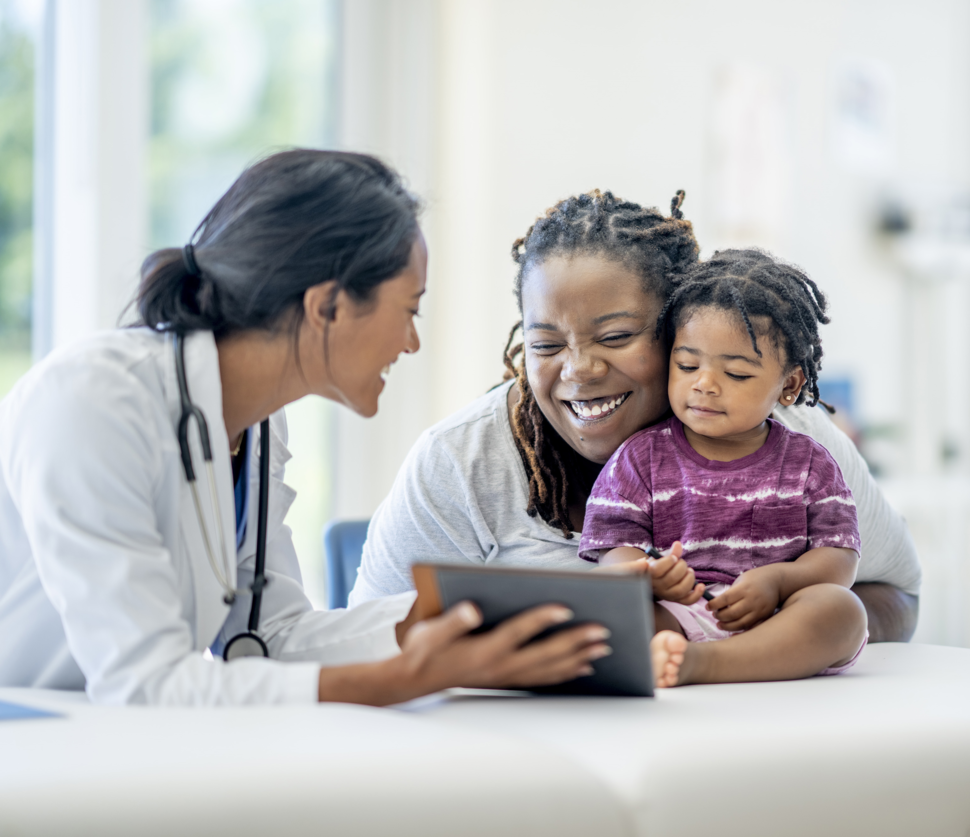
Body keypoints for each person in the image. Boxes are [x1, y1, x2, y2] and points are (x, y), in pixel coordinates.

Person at [0, 150, 611, 705]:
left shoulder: (259, 424)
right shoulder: (92, 400)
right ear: (328, 307)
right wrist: (403, 679)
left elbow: (269, 635)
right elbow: (145, 684)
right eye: (409, 310)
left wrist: (464, 615)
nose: (411, 342)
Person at [350, 190, 922, 644]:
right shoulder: (459, 461)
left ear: (682, 327)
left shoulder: (790, 439)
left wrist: (761, 629)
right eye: (545, 345)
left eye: (617, 336)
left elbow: (898, 597)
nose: (578, 370)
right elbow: (374, 639)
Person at [579, 248, 868, 687]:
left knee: (842, 610)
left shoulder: (809, 464)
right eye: (687, 365)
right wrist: (649, 576)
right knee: (608, 613)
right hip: (677, 615)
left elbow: (839, 558)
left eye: (735, 374)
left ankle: (706, 665)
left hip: (779, 619)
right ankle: (677, 655)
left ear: (788, 385)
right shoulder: (639, 459)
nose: (704, 384)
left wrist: (779, 580)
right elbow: (614, 552)